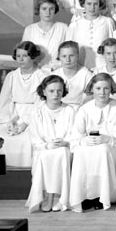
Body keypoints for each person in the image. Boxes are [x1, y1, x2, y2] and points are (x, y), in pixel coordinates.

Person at [69, 73, 116, 212]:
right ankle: (85, 197)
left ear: (111, 89)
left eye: (106, 88)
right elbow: (75, 137)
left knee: (103, 150)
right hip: (89, 146)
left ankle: (103, 197)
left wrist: (108, 139)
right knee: (80, 152)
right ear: (92, 89)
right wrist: (84, 140)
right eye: (98, 88)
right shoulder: (84, 109)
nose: (102, 92)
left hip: (111, 148)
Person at [26, 75, 76, 213]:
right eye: (51, 91)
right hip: (44, 148)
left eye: (59, 90)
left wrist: (65, 142)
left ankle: (60, 196)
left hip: (64, 147)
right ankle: (47, 195)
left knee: (62, 153)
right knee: (46, 155)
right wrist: (46, 146)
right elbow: (35, 138)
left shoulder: (70, 111)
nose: (56, 94)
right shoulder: (37, 111)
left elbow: (74, 134)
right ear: (44, 91)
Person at [0, 41, 45, 168]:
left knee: (26, 140)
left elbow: (41, 103)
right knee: (1, 135)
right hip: (14, 113)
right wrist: (10, 120)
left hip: (34, 116)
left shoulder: (42, 76)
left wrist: (25, 123)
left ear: (33, 56)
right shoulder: (12, 76)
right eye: (18, 56)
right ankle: (1, 172)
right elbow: (5, 100)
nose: (21, 59)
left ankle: (25, 172)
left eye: (25, 56)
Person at [66, 0, 116, 70]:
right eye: (89, 4)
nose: (92, 7)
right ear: (83, 4)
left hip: (102, 67)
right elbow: (68, 49)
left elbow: (113, 46)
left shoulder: (108, 22)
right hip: (81, 68)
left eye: (95, 4)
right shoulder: (74, 25)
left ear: (100, 5)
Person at [23, 0, 68, 68]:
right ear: (38, 10)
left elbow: (69, 52)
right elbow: (24, 54)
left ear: (55, 10)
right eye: (44, 9)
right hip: (35, 70)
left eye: (51, 9)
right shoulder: (29, 30)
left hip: (57, 70)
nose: (48, 12)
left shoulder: (63, 28)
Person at [52, 40, 93, 109]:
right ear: (59, 57)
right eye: (64, 56)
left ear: (77, 56)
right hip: (58, 109)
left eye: (71, 56)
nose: (68, 60)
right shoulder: (54, 75)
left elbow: (90, 100)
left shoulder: (87, 75)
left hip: (79, 110)